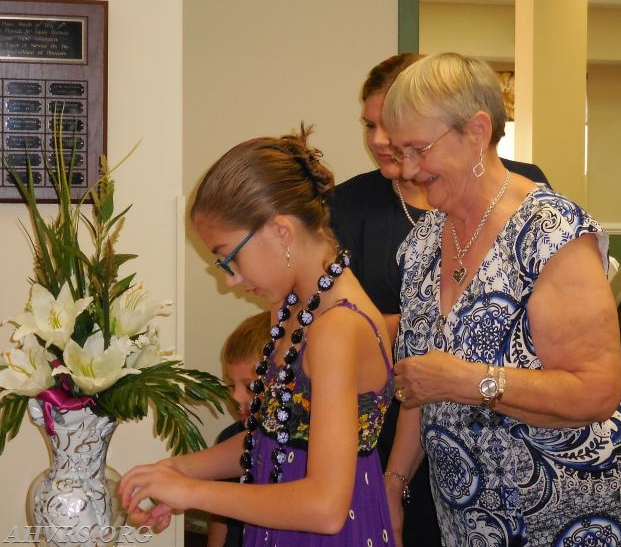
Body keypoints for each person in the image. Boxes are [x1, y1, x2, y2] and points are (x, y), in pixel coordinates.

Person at [381, 53, 621, 546]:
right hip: (469, 514)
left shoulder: (551, 233)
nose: (408, 169)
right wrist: (394, 484)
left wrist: (471, 381)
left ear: (477, 132)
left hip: (570, 508)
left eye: (419, 149)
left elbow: (597, 390)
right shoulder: (423, 242)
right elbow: (421, 383)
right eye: (401, 152)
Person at [119, 127, 396, 547]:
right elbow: (277, 435)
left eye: (229, 257)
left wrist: (192, 493)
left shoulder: (338, 329)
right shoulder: (291, 308)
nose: (230, 281)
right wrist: (176, 472)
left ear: (281, 231)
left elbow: (325, 507)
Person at [328, 53, 552, 546]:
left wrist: (465, 373)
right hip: (424, 453)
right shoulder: (389, 221)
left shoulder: (539, 213)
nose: (390, 151)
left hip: (534, 471)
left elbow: (588, 382)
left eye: (411, 142)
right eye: (373, 128)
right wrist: (395, 478)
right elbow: (409, 367)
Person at [206, 311, 270, 547]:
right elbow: (219, 516)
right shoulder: (229, 439)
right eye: (231, 385)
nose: (236, 396)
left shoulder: (302, 447)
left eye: (251, 386)